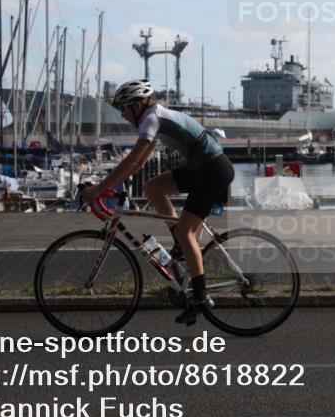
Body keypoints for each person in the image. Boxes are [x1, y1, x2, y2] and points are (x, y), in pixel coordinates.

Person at [79, 79, 234, 326]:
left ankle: (200, 297)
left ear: (138, 104)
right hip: (203, 168)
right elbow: (138, 164)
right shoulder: (153, 117)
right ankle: (181, 245)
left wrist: (98, 189)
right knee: (152, 187)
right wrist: (109, 186)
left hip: (213, 170)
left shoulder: (152, 118)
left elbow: (130, 162)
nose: (123, 115)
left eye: (125, 109)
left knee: (186, 231)